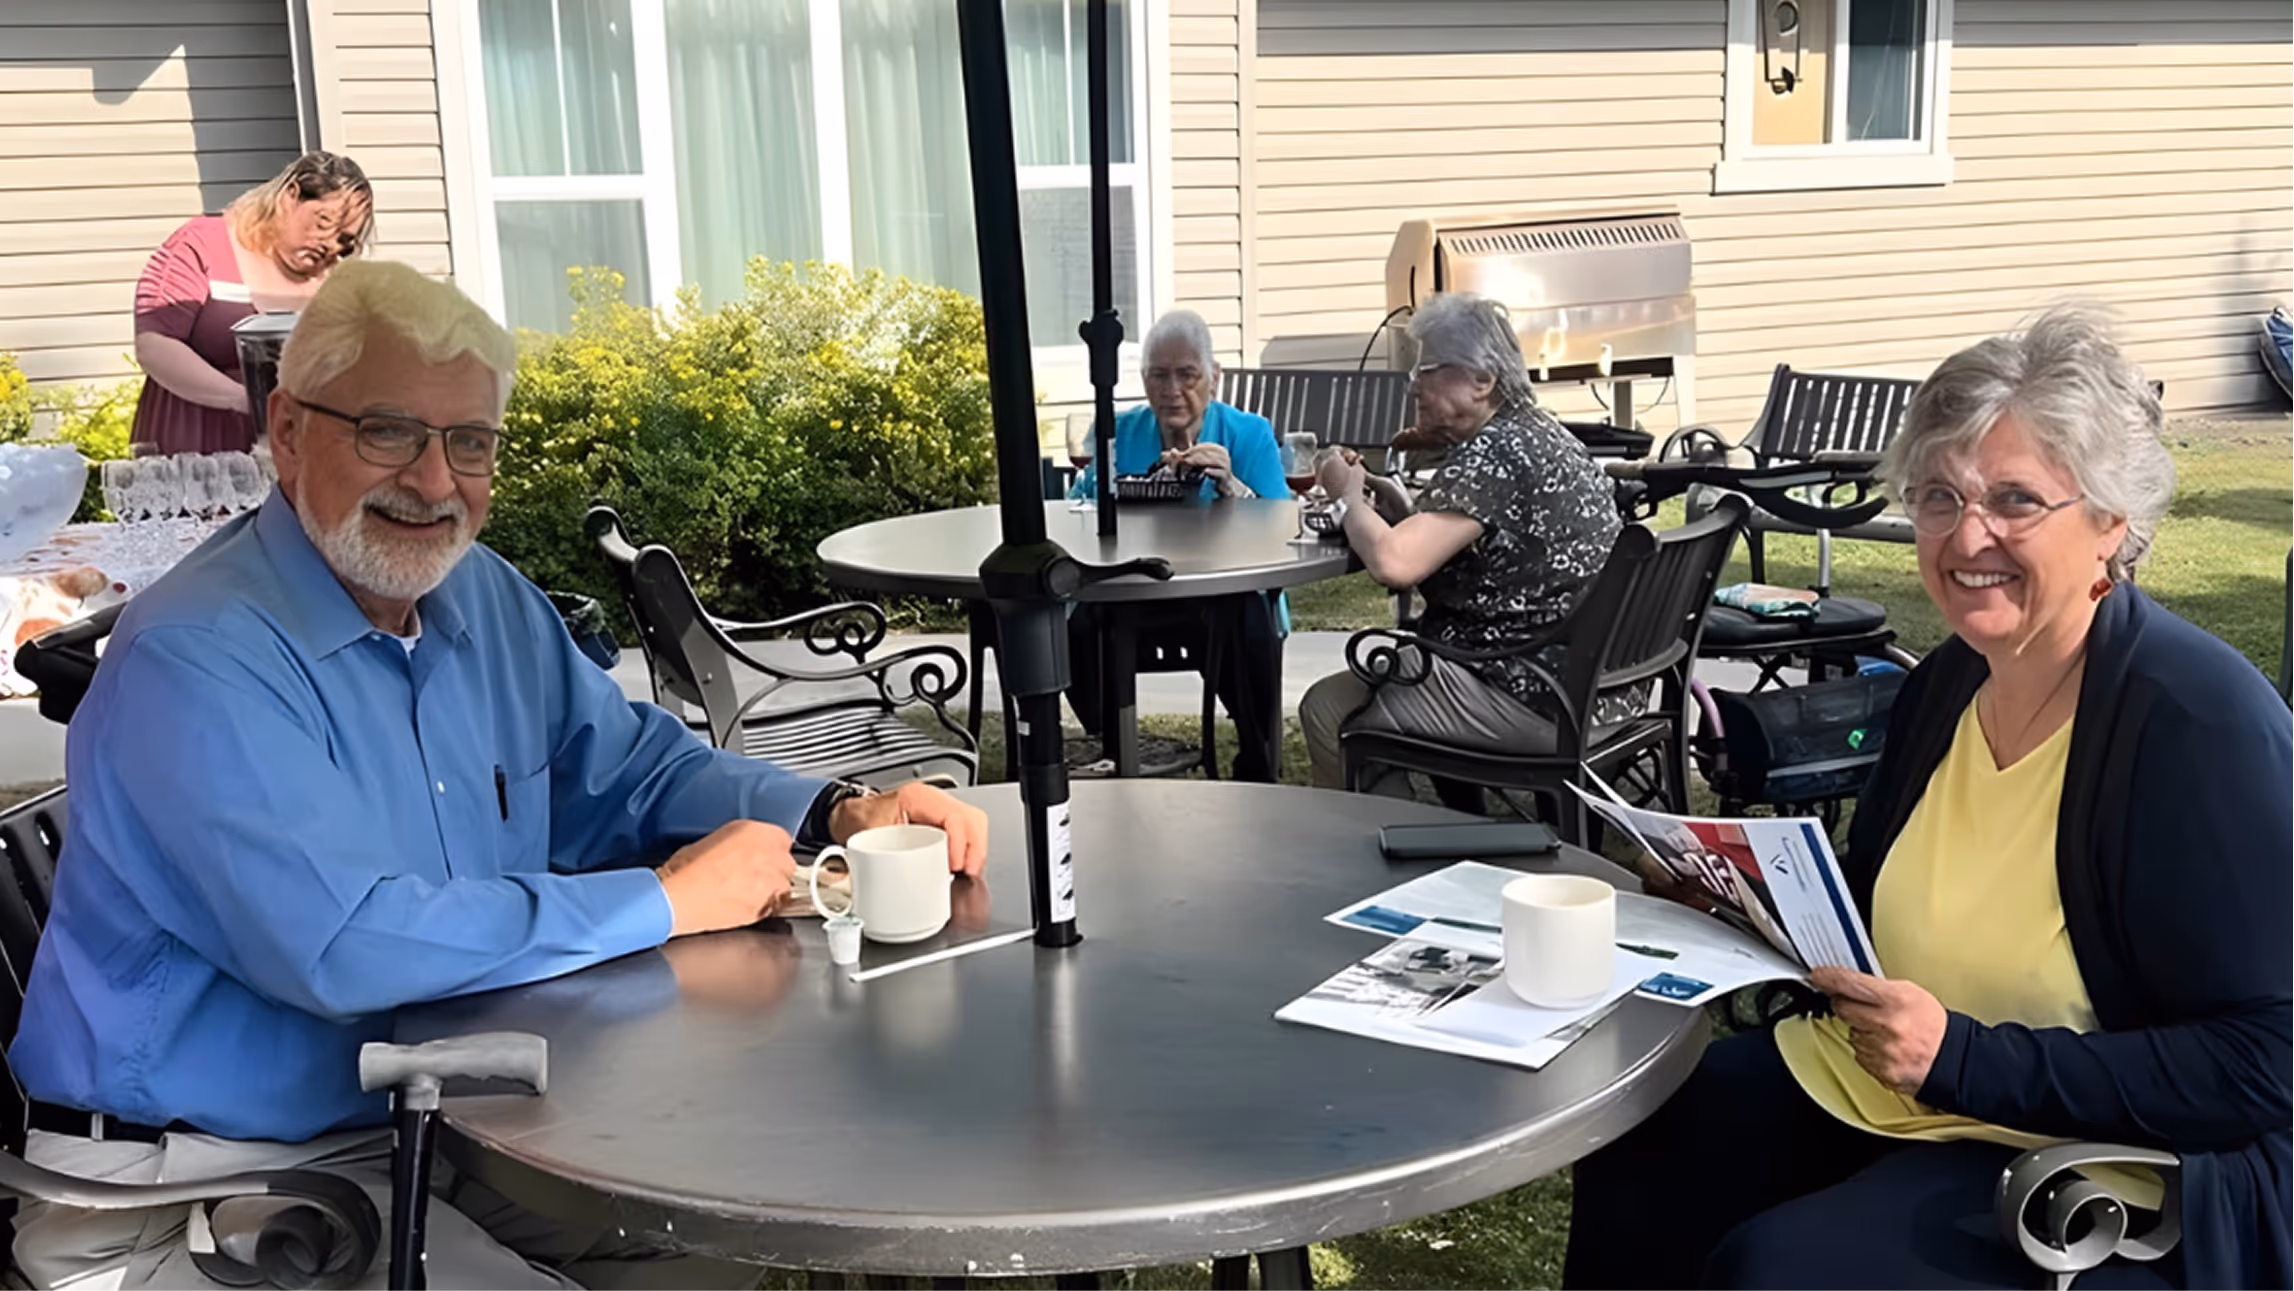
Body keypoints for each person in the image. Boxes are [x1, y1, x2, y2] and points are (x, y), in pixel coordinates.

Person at [9, 259, 992, 1290]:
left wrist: (834, 810)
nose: (434, 483)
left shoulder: (481, 596)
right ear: (290, 433)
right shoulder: (197, 660)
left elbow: (627, 769)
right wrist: (662, 902)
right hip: (191, 1184)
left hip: (429, 1127)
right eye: (388, 430)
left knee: (745, 1233)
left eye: (468, 442)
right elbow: (342, 944)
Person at [1565, 307, 2292, 1290]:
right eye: (1939, 497)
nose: (1966, 535)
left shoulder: (2195, 728)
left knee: (1779, 1271)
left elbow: (2261, 1063)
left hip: (2096, 1153)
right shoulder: (1948, 680)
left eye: (2014, 499)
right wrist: (1734, 893)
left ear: (2110, 522)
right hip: (1898, 1087)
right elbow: (1877, 922)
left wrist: (1960, 1058)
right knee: (1644, 1123)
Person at [1297, 291, 1623, 797]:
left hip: (1529, 693)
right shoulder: (1540, 435)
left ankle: (1385, 861)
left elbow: (1393, 562)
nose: (1413, 386)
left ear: (1482, 380)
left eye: (1427, 369)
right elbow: (1472, 549)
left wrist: (1346, 495)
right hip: (1596, 686)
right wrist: (1391, 504)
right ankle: (1429, 838)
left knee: (1329, 709)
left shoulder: (1494, 454)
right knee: (1387, 682)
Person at [1065, 309, 1291, 781]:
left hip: (1220, 595)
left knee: (1247, 621)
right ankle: (1114, 745)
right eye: (1158, 376)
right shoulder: (1121, 432)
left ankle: (1257, 756)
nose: (1172, 390)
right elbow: (1077, 509)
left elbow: (1283, 528)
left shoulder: (1248, 434)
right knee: (1076, 626)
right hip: (1133, 593)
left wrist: (1233, 487)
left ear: (1214, 378)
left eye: (1187, 375)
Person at [131, 150, 374, 456]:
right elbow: (155, 345)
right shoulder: (201, 243)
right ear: (290, 196)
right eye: (323, 221)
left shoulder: (334, 284)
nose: (330, 243)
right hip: (193, 451)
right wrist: (250, 402)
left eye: (344, 239)